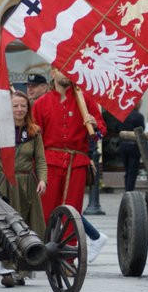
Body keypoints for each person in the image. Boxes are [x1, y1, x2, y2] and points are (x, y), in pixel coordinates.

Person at [32, 67, 108, 262]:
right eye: (61, 70)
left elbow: (101, 131)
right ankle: (44, 253)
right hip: (49, 163)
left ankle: (68, 259)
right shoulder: (41, 104)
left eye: (70, 70)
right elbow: (34, 138)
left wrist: (94, 123)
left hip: (76, 162)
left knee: (72, 212)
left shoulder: (85, 100)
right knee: (46, 211)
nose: (66, 74)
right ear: (53, 73)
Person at [0, 90, 47, 287]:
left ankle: (22, 270)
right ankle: (5, 267)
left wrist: (42, 180)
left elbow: (40, 159)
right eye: (15, 106)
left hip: (25, 183)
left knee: (25, 224)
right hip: (3, 181)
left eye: (23, 106)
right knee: (5, 225)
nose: (20, 109)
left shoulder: (33, 132)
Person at [117, 101, 144, 192]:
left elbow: (117, 128)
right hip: (134, 146)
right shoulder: (139, 116)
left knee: (127, 170)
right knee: (132, 171)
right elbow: (141, 131)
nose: (141, 104)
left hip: (123, 145)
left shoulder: (122, 114)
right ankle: (129, 191)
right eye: (140, 102)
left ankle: (127, 190)